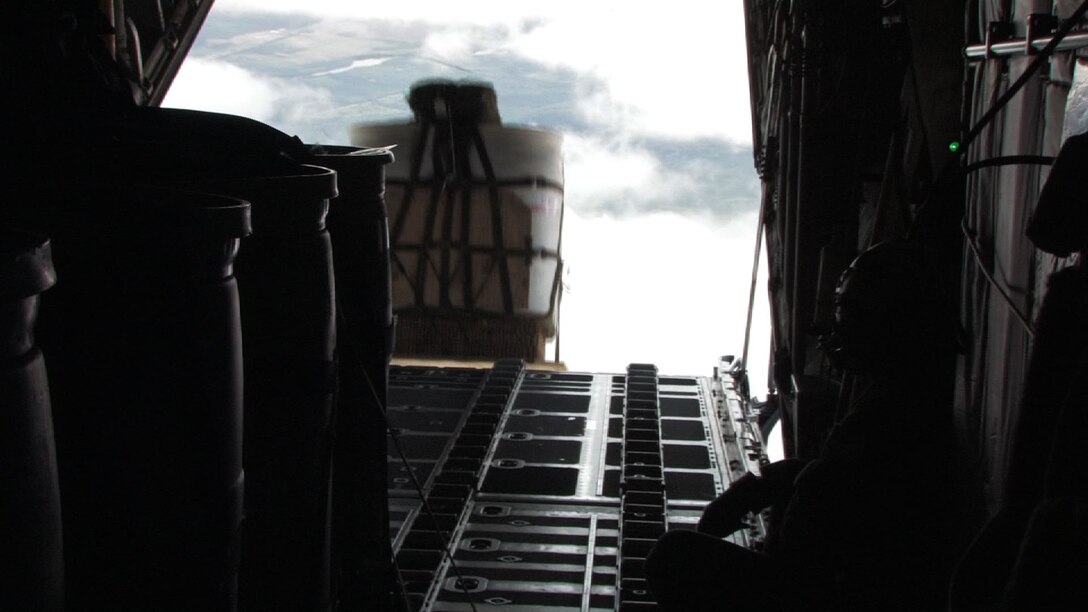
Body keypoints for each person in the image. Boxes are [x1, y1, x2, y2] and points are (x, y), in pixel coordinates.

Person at [646, 239, 956, 611]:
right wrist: (761, 487)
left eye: (848, 311)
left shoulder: (894, 417)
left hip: (827, 593)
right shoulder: (907, 395)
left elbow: (825, 528)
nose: (836, 327)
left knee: (673, 556)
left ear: (887, 320)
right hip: (825, 580)